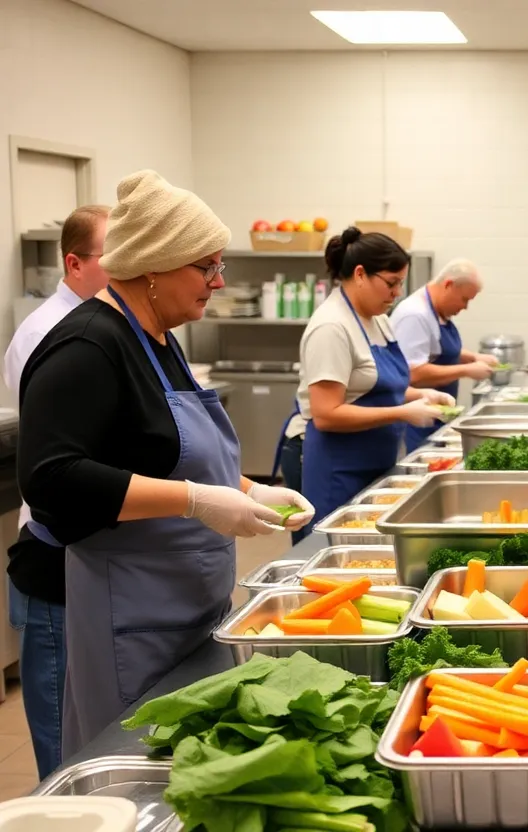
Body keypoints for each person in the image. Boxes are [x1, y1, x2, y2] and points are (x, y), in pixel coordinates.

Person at [17, 170, 314, 758]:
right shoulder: (87, 346)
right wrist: (196, 500)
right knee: (136, 766)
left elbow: (154, 452)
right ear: (154, 266)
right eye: (206, 266)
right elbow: (52, 478)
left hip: (187, 608)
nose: (220, 280)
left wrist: (247, 488)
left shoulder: (158, 337)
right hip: (131, 616)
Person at [2, 204, 109, 779]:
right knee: (57, 719)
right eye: (115, 258)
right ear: (74, 262)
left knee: (81, 709)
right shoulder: (48, 335)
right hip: (54, 548)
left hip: (89, 550)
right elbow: (65, 461)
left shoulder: (103, 323)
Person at [290, 228, 449, 531]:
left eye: (400, 283)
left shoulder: (378, 320)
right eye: (391, 283)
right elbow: (326, 414)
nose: (397, 293)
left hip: (376, 462)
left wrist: (419, 395)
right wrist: (403, 413)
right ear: (360, 274)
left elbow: (378, 389)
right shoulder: (331, 327)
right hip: (339, 469)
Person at [388, 258, 497, 450]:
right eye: (465, 299)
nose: (465, 307)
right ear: (448, 285)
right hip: (416, 423)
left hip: (436, 416)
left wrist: (473, 357)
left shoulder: (436, 312)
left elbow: (436, 350)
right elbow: (414, 372)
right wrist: (466, 370)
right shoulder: (415, 315)